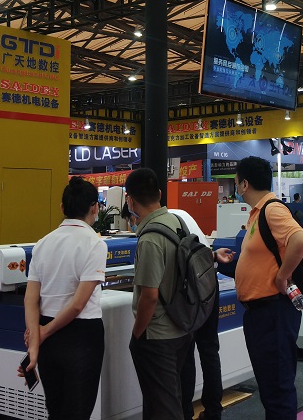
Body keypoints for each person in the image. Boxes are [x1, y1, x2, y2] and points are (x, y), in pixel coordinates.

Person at [20, 177, 107, 420]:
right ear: (94, 208)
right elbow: (78, 304)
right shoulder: (95, 244)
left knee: (56, 410)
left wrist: (36, 341)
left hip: (49, 338)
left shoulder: (42, 244)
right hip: (82, 336)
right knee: (77, 412)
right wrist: (41, 333)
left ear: (62, 208)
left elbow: (30, 300)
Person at [233, 156, 303, 420]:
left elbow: (300, 240)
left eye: (236, 182)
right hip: (261, 313)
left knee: (277, 388)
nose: (236, 188)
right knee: (270, 386)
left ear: (244, 184)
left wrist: (282, 276)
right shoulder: (257, 213)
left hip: (273, 311)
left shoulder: (271, 209)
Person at [126, 167, 193, 420]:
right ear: (160, 194)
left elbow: (150, 295)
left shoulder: (149, 239)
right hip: (182, 325)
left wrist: (137, 333)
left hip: (157, 335)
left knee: (163, 407)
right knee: (167, 399)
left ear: (130, 200)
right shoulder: (177, 222)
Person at [176, 210, 234, 420]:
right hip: (209, 281)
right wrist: (214, 255)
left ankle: (185, 412)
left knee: (186, 351)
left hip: (191, 287)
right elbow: (198, 252)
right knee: (209, 349)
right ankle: (213, 411)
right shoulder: (181, 214)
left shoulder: (161, 224)